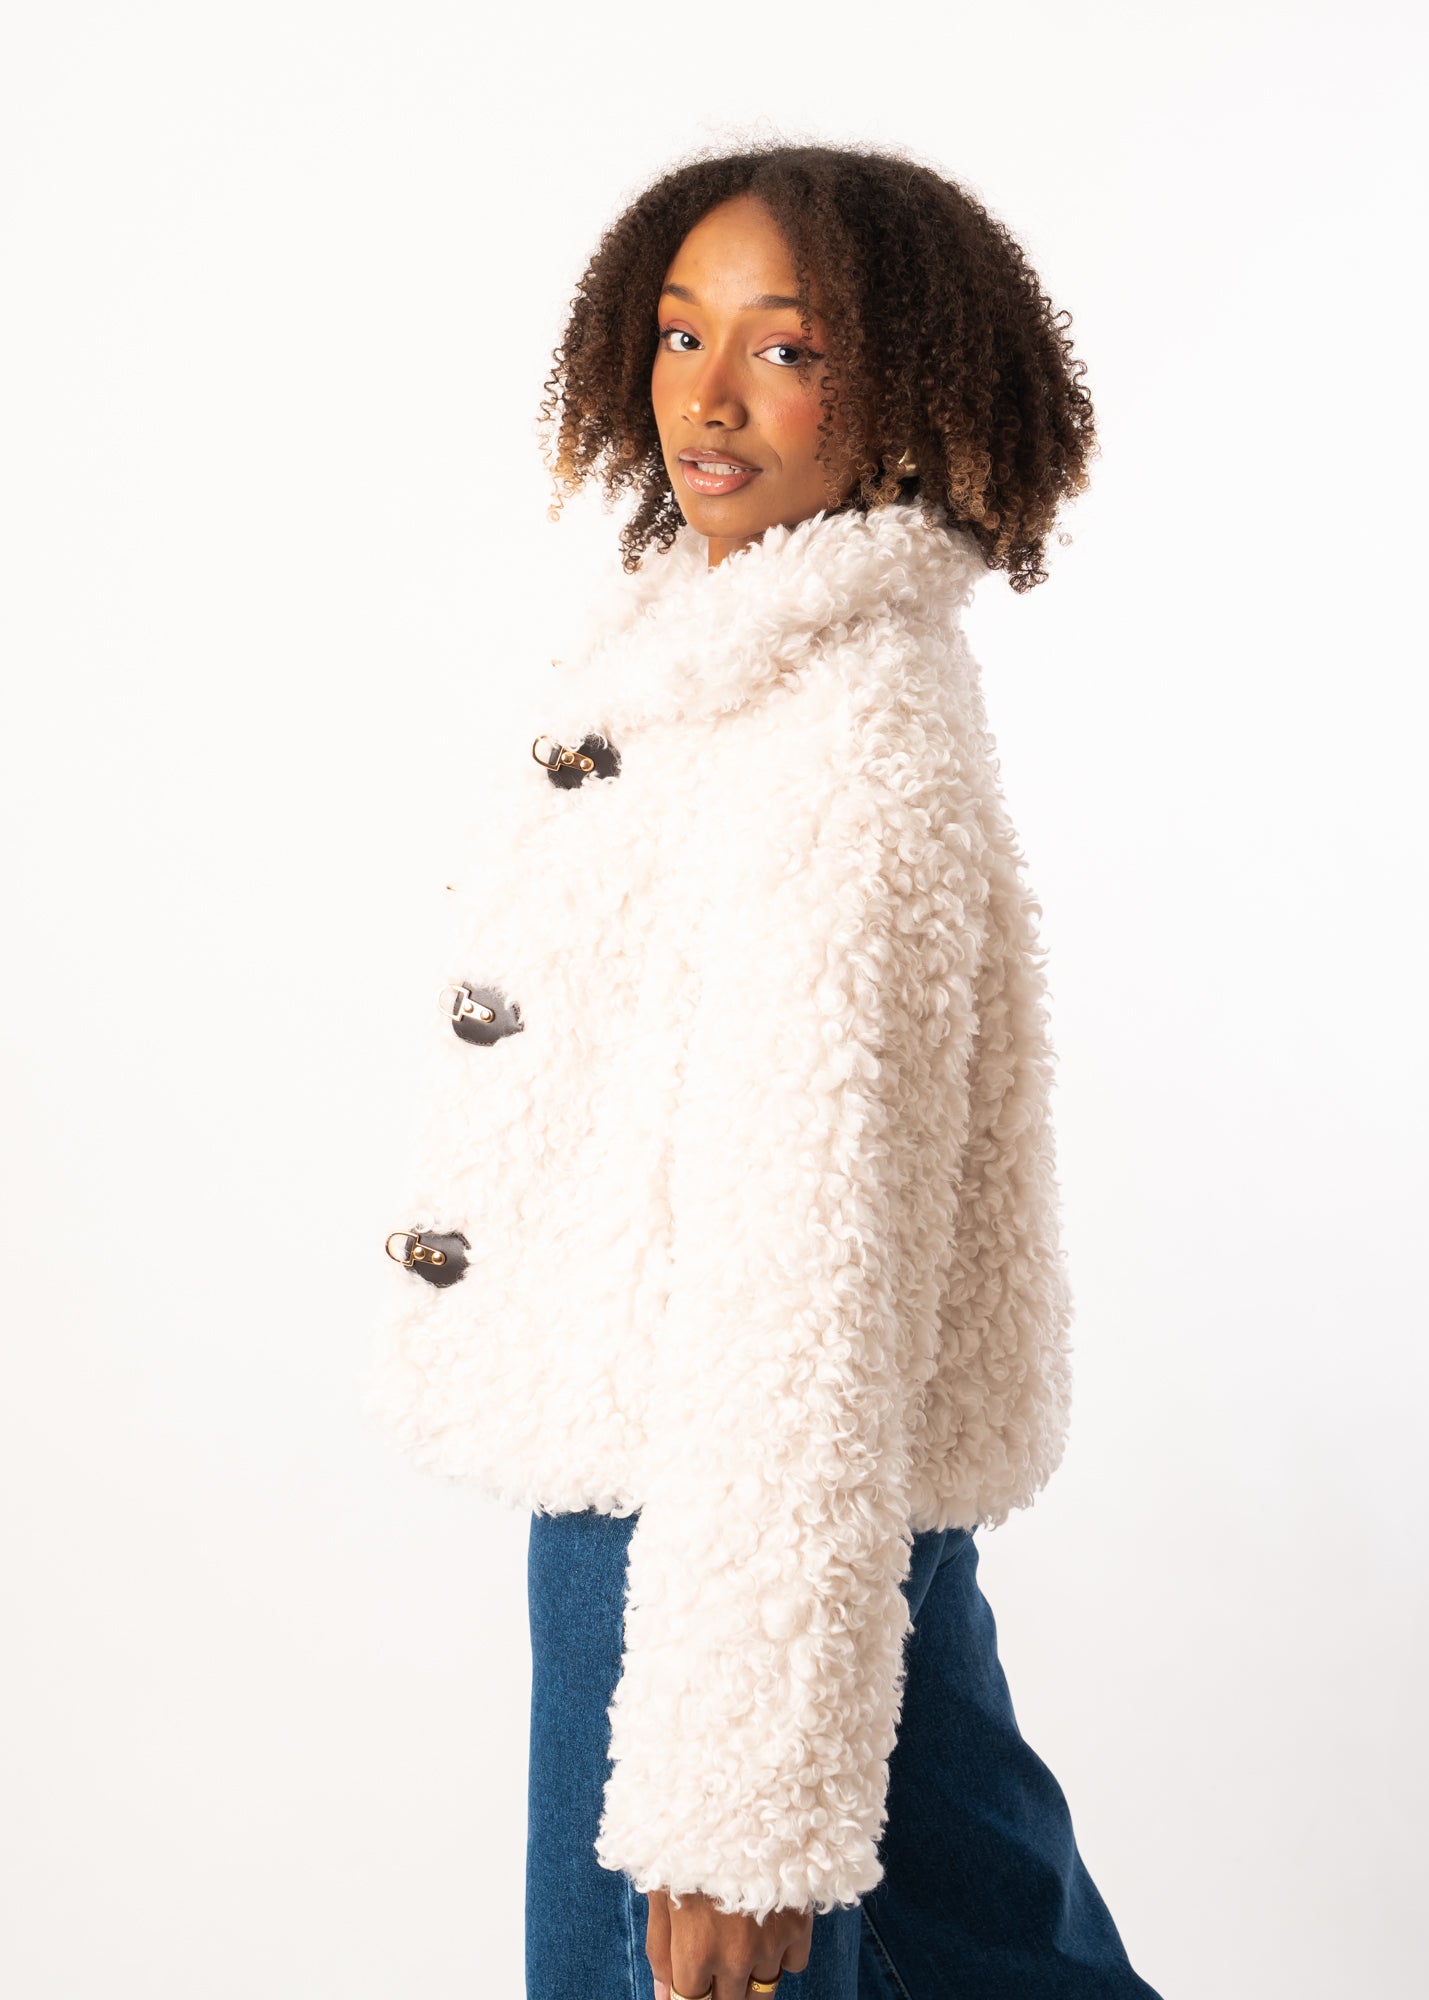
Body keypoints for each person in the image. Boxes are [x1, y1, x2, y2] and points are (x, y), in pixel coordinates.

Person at [364, 143, 1165, 2000]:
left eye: (786, 350)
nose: (707, 397)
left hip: (716, 1527)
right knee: (995, 1950)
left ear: (911, 393)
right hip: (806, 1510)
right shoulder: (718, 677)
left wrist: (735, 1806)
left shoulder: (828, 751)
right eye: (677, 334)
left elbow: (805, 1284)